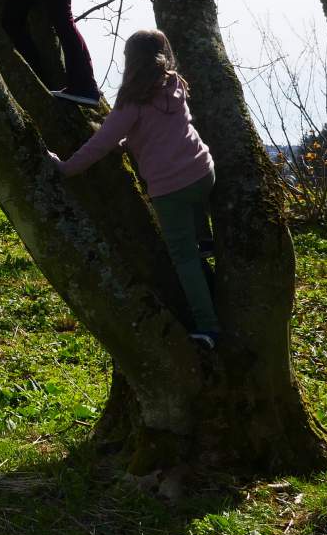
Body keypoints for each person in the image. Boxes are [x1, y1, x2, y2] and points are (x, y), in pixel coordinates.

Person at [49, 29, 220, 346]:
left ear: (130, 61)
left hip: (172, 190)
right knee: (195, 208)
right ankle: (206, 236)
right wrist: (131, 143)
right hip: (203, 172)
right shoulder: (174, 85)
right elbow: (163, 130)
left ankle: (208, 328)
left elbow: (101, 143)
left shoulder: (132, 100)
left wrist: (67, 167)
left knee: (184, 259)